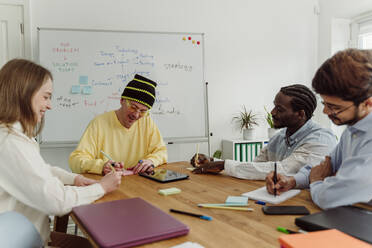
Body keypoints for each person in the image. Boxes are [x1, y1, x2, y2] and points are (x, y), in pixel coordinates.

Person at [0, 59, 122, 247]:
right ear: (25, 93)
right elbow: (56, 202)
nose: (50, 105)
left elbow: (39, 169)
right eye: (46, 97)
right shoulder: (10, 142)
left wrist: (74, 179)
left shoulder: (14, 135)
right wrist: (102, 188)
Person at [266, 49, 372, 209]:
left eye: (334, 107)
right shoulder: (353, 129)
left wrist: (316, 181)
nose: (326, 112)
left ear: (367, 103)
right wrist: (292, 181)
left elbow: (330, 196)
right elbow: (324, 166)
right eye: (325, 104)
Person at [191, 84, 337, 180]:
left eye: (280, 109)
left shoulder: (321, 139)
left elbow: (285, 170)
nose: (272, 112)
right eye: (274, 106)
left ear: (300, 114)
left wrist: (224, 164)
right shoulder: (278, 137)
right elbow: (255, 167)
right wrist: (213, 162)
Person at [69, 74, 167, 175]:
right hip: (108, 184)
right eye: (133, 107)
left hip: (138, 184)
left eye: (143, 111)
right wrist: (101, 166)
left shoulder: (147, 122)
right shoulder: (99, 123)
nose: (136, 115)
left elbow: (161, 151)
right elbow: (75, 161)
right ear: (122, 100)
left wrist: (151, 161)